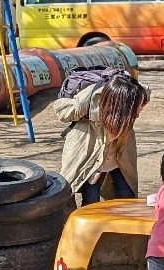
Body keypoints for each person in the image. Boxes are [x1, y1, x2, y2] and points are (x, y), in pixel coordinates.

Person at [54, 70, 146, 205]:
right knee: (91, 200)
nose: (142, 108)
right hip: (91, 156)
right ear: (123, 106)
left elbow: (145, 92)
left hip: (118, 159)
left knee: (128, 195)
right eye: (140, 105)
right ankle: (92, 226)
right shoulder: (93, 105)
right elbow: (62, 111)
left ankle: (121, 225)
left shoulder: (131, 98)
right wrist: (87, 101)